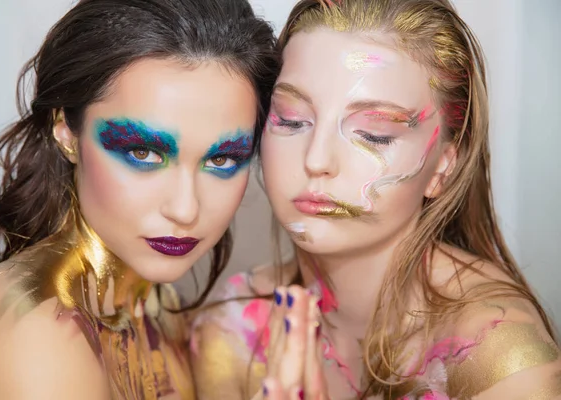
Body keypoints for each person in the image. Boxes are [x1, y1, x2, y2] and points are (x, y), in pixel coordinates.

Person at [189, 0, 561, 399]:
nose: (316, 160)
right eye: (292, 120)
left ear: (444, 166)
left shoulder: (495, 353)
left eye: (375, 134)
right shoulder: (232, 328)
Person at [0, 0, 278, 398]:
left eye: (221, 159)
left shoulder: (155, 306)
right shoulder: (33, 334)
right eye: (143, 153)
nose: (185, 209)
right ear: (66, 131)